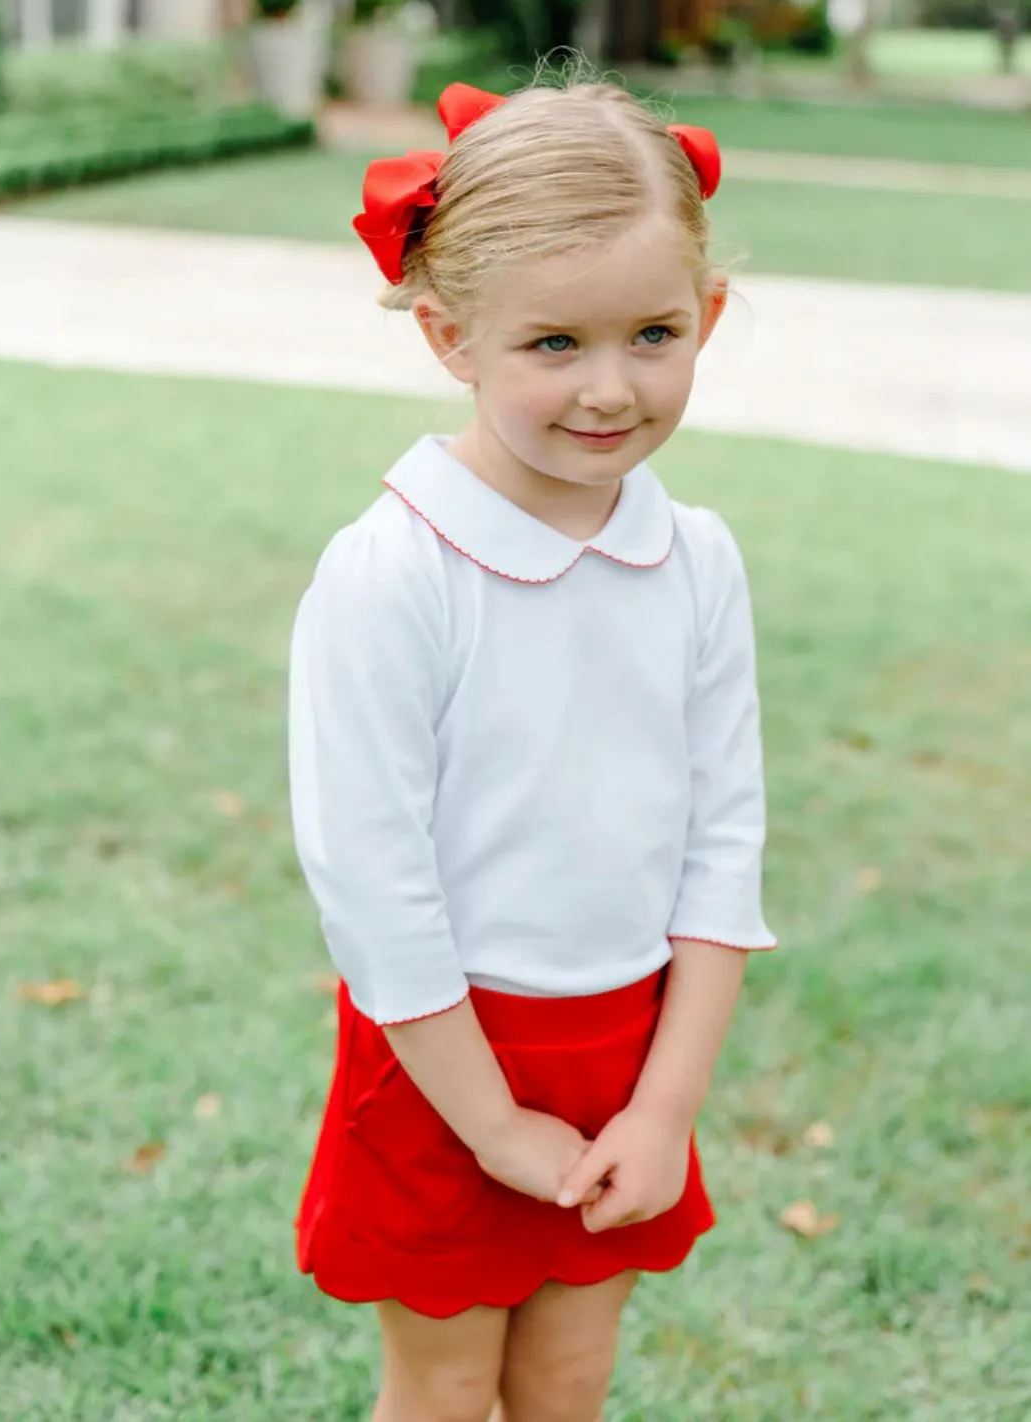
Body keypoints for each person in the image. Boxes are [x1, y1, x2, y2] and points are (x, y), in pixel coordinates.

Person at [288, 73, 777, 1422]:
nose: (609, 389)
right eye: (552, 342)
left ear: (708, 318)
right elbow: (372, 885)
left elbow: (721, 838)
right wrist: (493, 1121)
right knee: (446, 1392)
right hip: (444, 1053)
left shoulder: (695, 557)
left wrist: (665, 1103)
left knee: (567, 1382)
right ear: (449, 335)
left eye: (653, 333)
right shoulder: (393, 573)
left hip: (628, 1044)